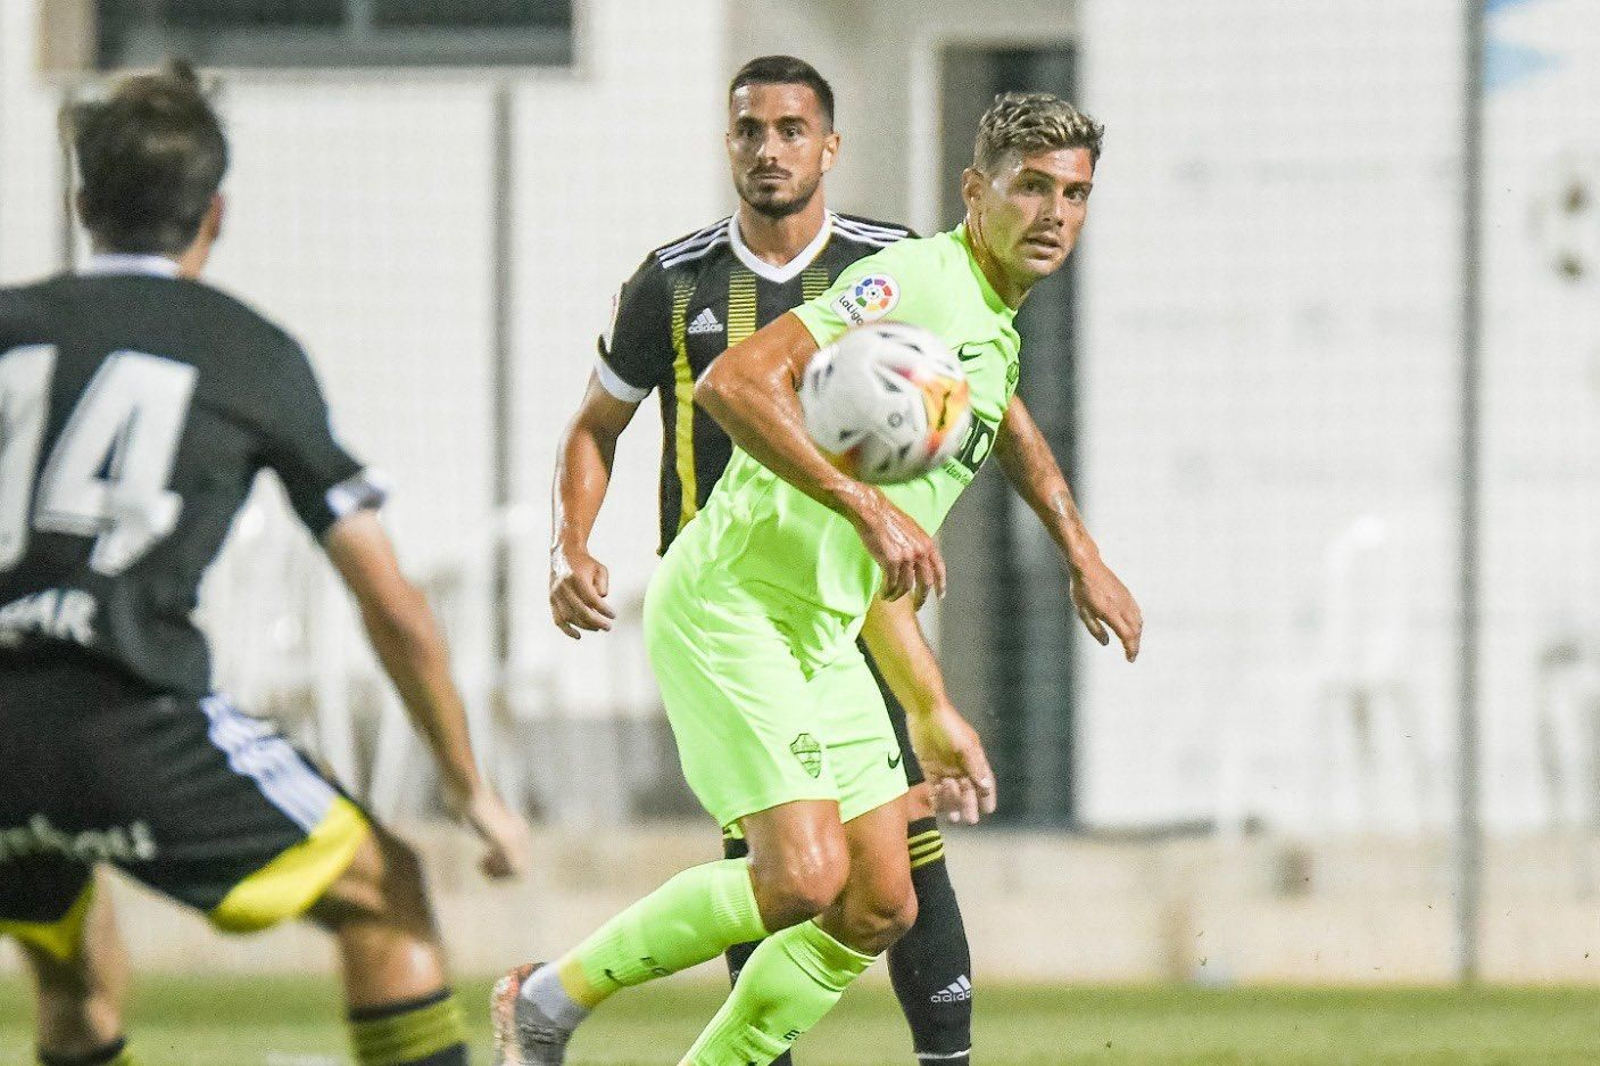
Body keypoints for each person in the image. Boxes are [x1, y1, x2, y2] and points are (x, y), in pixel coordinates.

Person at [494, 88, 1140, 1066]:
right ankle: (546, 999)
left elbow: (994, 446)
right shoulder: (917, 281)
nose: (1053, 213)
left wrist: (950, 683)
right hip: (730, 604)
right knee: (798, 877)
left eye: (1075, 194)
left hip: (818, 633)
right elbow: (734, 381)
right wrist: (867, 504)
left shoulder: (993, 335)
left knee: (880, 900)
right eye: (1031, 187)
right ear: (975, 191)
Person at [0, 61, 532, 1066]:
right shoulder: (247, 352)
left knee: (70, 961)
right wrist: (472, 789)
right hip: (129, 719)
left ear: (82, 205)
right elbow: (388, 598)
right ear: (216, 213)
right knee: (386, 891)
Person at [545, 54, 981, 1066]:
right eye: (750, 129)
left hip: (849, 600)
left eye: (792, 130)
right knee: (783, 870)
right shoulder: (673, 281)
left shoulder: (892, 264)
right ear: (728, 143)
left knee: (900, 870)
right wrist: (570, 543)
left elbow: (962, 397)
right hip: (734, 610)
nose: (770, 149)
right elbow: (594, 425)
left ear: (830, 147)